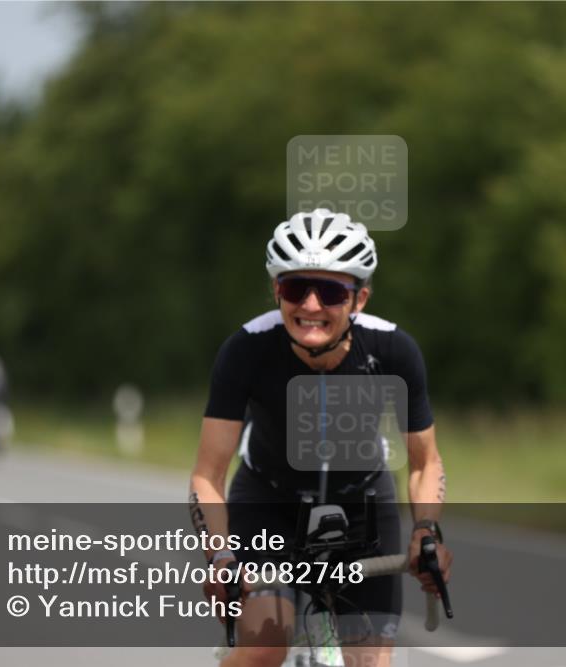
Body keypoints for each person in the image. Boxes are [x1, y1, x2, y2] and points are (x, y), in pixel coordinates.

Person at [189, 209, 452, 667]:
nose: (310, 305)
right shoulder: (246, 349)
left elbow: (425, 462)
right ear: (277, 291)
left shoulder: (393, 352)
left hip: (362, 507)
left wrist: (425, 533)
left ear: (359, 298)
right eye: (295, 288)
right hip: (269, 504)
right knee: (263, 649)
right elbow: (207, 474)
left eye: (330, 290)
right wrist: (220, 556)